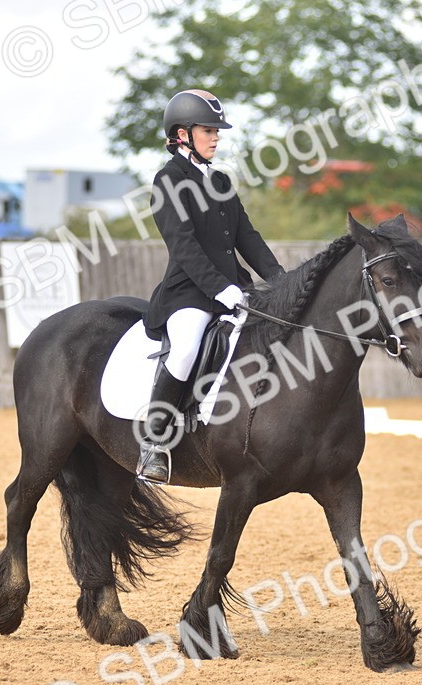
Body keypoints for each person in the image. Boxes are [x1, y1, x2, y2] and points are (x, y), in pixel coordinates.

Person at [137, 89, 285, 484]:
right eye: (208, 130)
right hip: (190, 293)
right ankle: (154, 440)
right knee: (185, 348)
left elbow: (248, 238)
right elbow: (182, 245)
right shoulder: (167, 180)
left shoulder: (220, 180)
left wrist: (284, 283)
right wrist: (221, 289)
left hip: (234, 290)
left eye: (217, 130)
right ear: (182, 134)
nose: (216, 137)